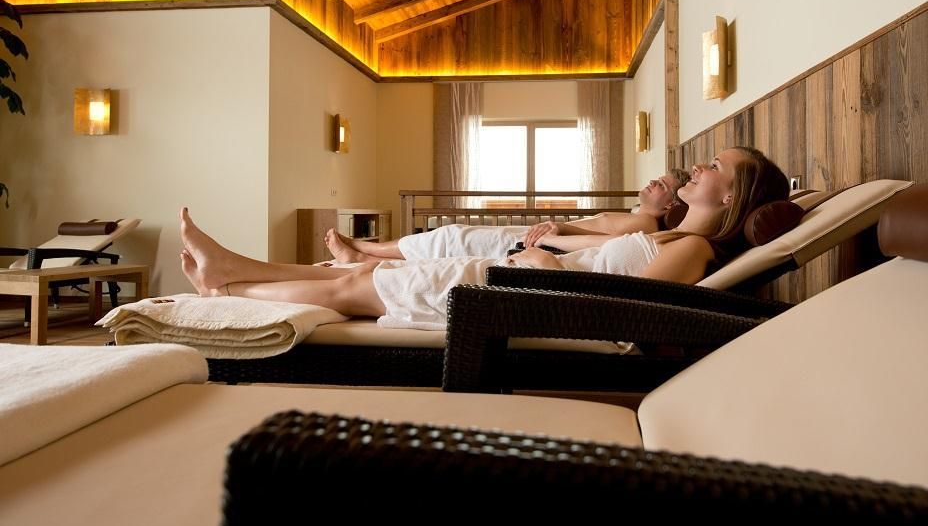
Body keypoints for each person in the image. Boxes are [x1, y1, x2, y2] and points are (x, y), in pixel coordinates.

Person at [179, 147, 788, 331]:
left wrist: (546, 265)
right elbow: (604, 265)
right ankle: (232, 270)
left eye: (715, 167)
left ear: (731, 198)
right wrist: (550, 247)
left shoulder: (693, 250)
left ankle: (227, 290)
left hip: (523, 294)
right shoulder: (675, 236)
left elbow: (625, 316)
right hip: (521, 278)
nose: (698, 168)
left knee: (353, 289)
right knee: (363, 277)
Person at [324, 170, 691, 263]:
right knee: (452, 239)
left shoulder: (644, 224)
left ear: (671, 206)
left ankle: (365, 251)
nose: (652, 182)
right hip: (544, 237)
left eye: (661, 185)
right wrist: (557, 227)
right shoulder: (639, 217)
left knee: (452, 238)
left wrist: (557, 231)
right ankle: (364, 255)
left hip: (541, 243)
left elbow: (605, 242)